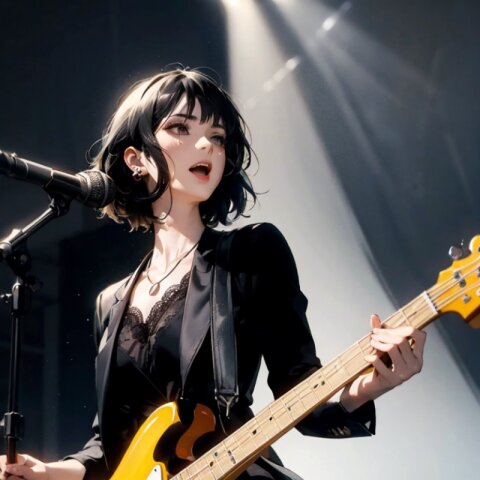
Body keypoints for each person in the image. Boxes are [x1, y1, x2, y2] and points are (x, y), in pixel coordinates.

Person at [0, 68, 426, 480]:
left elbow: (301, 396)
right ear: (135, 159)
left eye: (217, 136)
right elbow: (110, 446)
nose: (205, 144)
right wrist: (48, 472)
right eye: (181, 128)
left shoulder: (252, 252)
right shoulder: (109, 303)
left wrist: (372, 385)